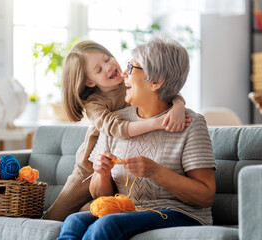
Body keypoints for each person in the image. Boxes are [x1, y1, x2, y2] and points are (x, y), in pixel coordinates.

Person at [57, 38, 216, 240]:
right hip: (131, 211)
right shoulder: (117, 121)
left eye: (131, 68)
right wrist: (102, 173)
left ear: (155, 81)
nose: (123, 73)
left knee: (107, 225)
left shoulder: (189, 122)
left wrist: (156, 172)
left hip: (181, 214)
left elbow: (206, 196)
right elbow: (100, 195)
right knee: (74, 221)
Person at [43, 40, 189, 221]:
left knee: (96, 211)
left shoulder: (130, 81)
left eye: (107, 58)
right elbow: (117, 128)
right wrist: (157, 123)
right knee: (57, 214)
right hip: (90, 167)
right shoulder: (94, 103)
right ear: (89, 82)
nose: (108, 67)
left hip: (119, 160)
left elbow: (163, 87)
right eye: (98, 70)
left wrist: (178, 106)